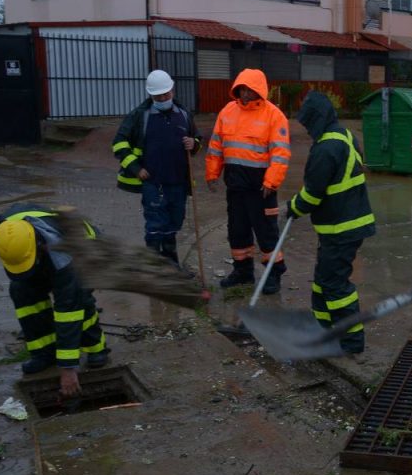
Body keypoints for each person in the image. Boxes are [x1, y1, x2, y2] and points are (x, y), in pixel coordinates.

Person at [286, 92, 376, 355]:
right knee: (323, 280)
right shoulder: (345, 136)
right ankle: (324, 327)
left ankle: (351, 340)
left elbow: (313, 194)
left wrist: (292, 208)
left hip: (341, 228)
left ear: (317, 119)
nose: (306, 129)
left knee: (336, 286)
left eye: (307, 123)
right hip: (346, 225)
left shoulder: (326, 148)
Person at [0, 204, 109, 397]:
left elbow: (67, 313)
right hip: (39, 253)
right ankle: (43, 352)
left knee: (79, 303)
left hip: (87, 256)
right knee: (22, 291)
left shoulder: (64, 257)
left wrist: (68, 368)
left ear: (39, 245)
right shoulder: (8, 232)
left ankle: (96, 347)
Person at [205, 68, 291, 294]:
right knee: (237, 229)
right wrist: (212, 173)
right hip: (235, 185)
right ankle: (243, 271)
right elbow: (216, 146)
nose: (245, 94)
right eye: (242, 89)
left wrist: (271, 183)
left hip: (261, 188)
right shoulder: (227, 112)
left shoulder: (274, 115)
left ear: (259, 91)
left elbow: (280, 154)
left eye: (250, 90)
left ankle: (273, 274)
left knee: (266, 232)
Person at [112, 69, 201, 269]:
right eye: (157, 95)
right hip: (153, 182)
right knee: (155, 226)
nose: (162, 98)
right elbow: (118, 144)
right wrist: (136, 168)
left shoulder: (184, 114)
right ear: (150, 94)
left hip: (178, 182)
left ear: (172, 91)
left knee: (173, 224)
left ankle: (170, 265)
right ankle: (153, 269)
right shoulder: (139, 116)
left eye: (166, 94)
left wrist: (193, 144)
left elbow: (198, 139)